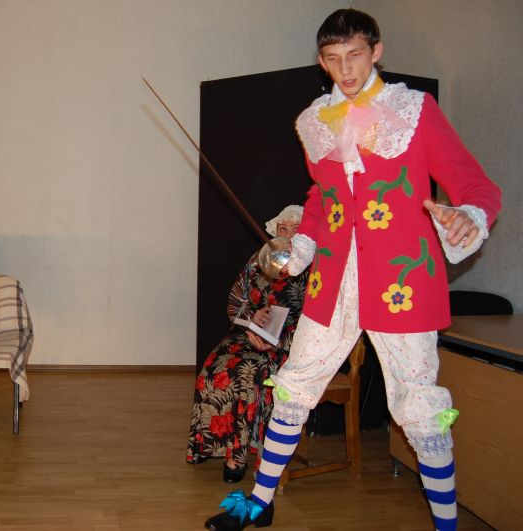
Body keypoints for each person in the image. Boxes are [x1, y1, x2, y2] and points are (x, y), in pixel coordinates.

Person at [204, 9, 501, 531]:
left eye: (355, 55)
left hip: (403, 283)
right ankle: (261, 500)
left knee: (420, 404)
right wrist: (300, 245)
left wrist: (467, 217)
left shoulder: (414, 110)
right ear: (321, 60)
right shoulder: (314, 122)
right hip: (333, 282)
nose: (345, 70)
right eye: (333, 58)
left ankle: (447, 525)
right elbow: (322, 199)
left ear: (376, 51)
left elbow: (476, 185)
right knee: (296, 382)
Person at [188, 206, 307, 483]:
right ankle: (211, 443)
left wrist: (277, 341)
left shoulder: (314, 269)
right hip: (248, 335)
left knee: (248, 373)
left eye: (296, 230)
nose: (288, 235)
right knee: (213, 369)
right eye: (283, 229)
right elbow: (235, 301)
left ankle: (237, 457)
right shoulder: (260, 259)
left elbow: (318, 324)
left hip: (288, 345)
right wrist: (251, 318)